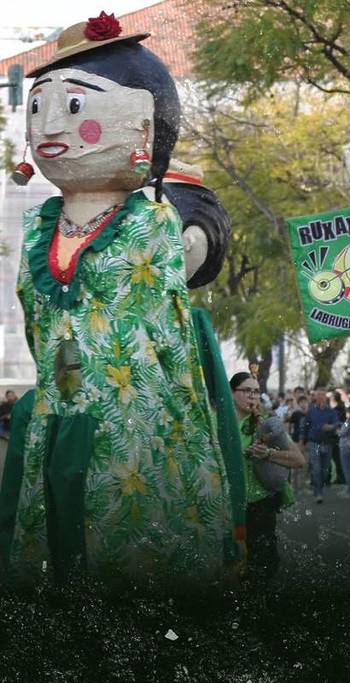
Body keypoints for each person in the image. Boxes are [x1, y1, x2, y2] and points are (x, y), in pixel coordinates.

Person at [1, 15, 246, 584]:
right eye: (37, 107)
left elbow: (171, 327)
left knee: (125, 547)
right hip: (57, 411)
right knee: (55, 548)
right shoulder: (38, 228)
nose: (50, 125)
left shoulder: (151, 222)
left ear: (141, 122)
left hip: (132, 416)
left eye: (74, 105)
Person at [230, 372, 305, 580]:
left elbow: (299, 460)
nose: (252, 396)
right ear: (231, 392)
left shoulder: (267, 424)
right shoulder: (218, 423)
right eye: (246, 390)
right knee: (231, 564)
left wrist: (269, 454)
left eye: (256, 391)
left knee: (262, 564)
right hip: (227, 505)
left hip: (260, 503)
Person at [299, 388, 341, 504]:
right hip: (314, 443)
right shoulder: (311, 411)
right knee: (316, 468)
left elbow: (337, 423)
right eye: (319, 395)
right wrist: (302, 441)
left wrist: (331, 427)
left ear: (326, 397)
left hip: (327, 443)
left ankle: (319, 487)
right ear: (315, 397)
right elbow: (305, 426)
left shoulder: (331, 412)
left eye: (323, 395)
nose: (321, 397)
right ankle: (318, 493)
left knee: (325, 471)